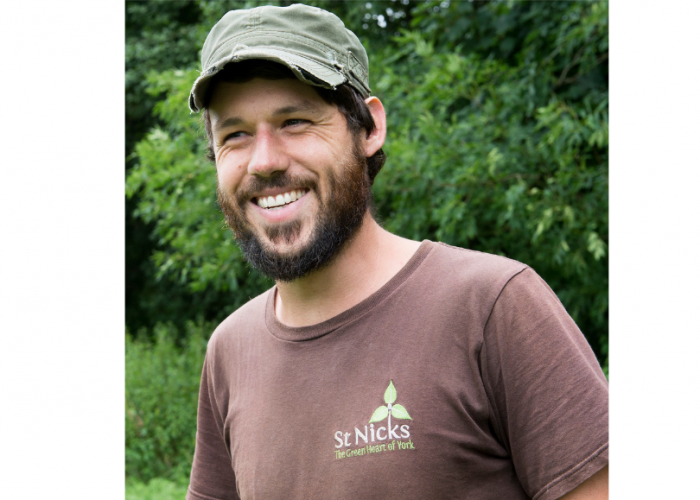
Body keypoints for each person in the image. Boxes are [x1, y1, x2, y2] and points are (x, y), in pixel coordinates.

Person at [185, 4, 608, 500]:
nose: (264, 161)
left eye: (295, 121)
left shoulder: (492, 308)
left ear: (369, 129)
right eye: (234, 135)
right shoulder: (230, 352)